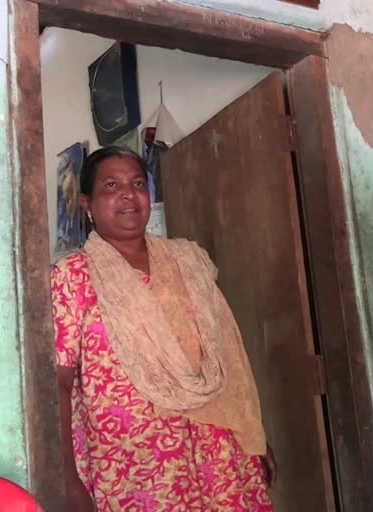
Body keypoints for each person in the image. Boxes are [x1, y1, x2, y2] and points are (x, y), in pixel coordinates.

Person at [51, 146, 276, 511]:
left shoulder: (188, 261)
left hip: (217, 448)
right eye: (112, 184)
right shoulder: (72, 276)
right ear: (87, 204)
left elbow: (226, 355)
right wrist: (67, 480)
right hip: (133, 465)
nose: (128, 193)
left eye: (137, 183)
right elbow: (57, 384)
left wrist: (255, 433)